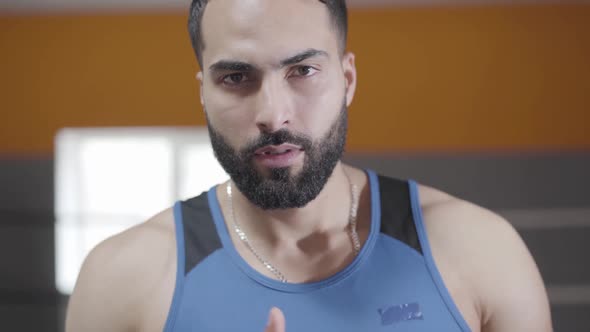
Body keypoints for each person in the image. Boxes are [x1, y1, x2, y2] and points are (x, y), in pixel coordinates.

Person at [65, 0, 553, 331]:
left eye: (303, 71)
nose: (273, 115)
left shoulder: (482, 252)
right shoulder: (122, 278)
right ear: (203, 94)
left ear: (347, 79)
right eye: (236, 77)